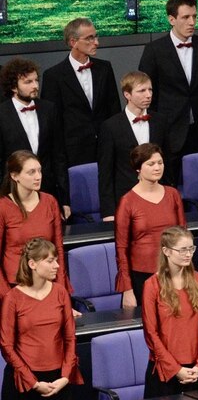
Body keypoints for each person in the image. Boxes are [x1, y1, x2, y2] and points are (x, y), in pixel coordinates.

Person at [138, 0, 198, 182]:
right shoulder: (154, 50)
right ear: (171, 19)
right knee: (171, 188)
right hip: (169, 132)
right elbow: (147, 94)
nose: (192, 22)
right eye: (185, 17)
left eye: (194, 16)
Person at [0, 238, 82, 400]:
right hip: (24, 381)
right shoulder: (12, 298)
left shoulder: (60, 292)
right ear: (32, 264)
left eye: (57, 260)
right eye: (50, 261)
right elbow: (6, 345)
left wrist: (66, 377)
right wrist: (34, 383)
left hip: (58, 381)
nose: (57, 266)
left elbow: (70, 338)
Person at [141, 226, 198, 398]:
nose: (188, 254)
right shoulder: (152, 285)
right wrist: (176, 369)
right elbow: (151, 333)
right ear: (166, 251)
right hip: (164, 370)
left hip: (196, 369)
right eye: (182, 250)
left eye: (191, 249)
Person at [40, 17, 121, 165]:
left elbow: (114, 109)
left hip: (106, 148)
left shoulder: (105, 68)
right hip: (73, 153)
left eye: (96, 36)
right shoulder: (53, 76)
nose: (96, 42)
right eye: (89, 38)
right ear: (73, 42)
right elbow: (53, 122)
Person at [114, 143, 186, 309]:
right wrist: (127, 289)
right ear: (138, 168)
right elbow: (121, 248)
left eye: (160, 163)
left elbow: (183, 236)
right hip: (142, 276)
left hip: (173, 271)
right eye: (151, 164)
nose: (157, 168)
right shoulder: (127, 202)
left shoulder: (173, 195)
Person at [0, 58, 68, 215]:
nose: (35, 86)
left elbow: (59, 156)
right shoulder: (2, 114)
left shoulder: (49, 109)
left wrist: (65, 200)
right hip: (13, 195)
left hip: (48, 192)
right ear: (13, 87)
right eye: (28, 82)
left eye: (36, 80)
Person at [98, 71, 170, 220]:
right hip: (126, 199)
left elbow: (168, 161)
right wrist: (108, 212)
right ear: (127, 95)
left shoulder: (160, 121)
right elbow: (105, 172)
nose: (148, 95)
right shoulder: (111, 126)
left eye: (150, 90)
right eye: (142, 91)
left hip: (158, 196)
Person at [0, 151, 71, 299]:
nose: (38, 177)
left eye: (39, 171)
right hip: (15, 286)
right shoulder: (3, 207)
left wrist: (61, 291)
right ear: (15, 176)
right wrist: (8, 296)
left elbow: (58, 248)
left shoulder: (50, 202)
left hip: (47, 284)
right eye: (31, 172)